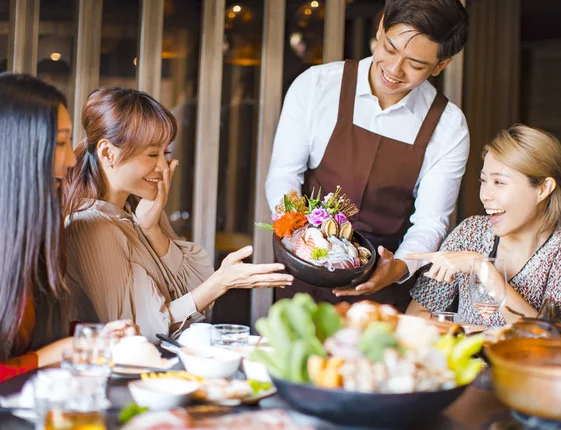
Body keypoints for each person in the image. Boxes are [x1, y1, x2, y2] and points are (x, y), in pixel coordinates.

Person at [266, 0, 470, 308]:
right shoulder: (317, 86)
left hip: (381, 291)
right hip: (303, 272)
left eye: (415, 65)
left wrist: (396, 269)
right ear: (381, 25)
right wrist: (303, 240)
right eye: (389, 48)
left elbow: (430, 222)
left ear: (441, 65)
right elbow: (284, 174)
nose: (394, 70)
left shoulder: (448, 126)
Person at [63, 87, 293, 341]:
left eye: (165, 153)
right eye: (152, 154)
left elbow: (192, 291)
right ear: (108, 153)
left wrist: (151, 230)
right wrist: (220, 282)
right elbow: (138, 331)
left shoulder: (137, 212)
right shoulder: (91, 226)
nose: (163, 166)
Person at [0, 74, 137, 383]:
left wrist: (96, 336)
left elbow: (42, 337)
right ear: (19, 148)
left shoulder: (42, 233)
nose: (72, 159)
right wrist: (60, 351)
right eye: (60, 142)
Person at [406, 125, 561, 326]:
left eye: (499, 182)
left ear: (543, 189)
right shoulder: (471, 233)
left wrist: (484, 270)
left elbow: (555, 338)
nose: (485, 195)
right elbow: (416, 314)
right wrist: (470, 334)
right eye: (483, 180)